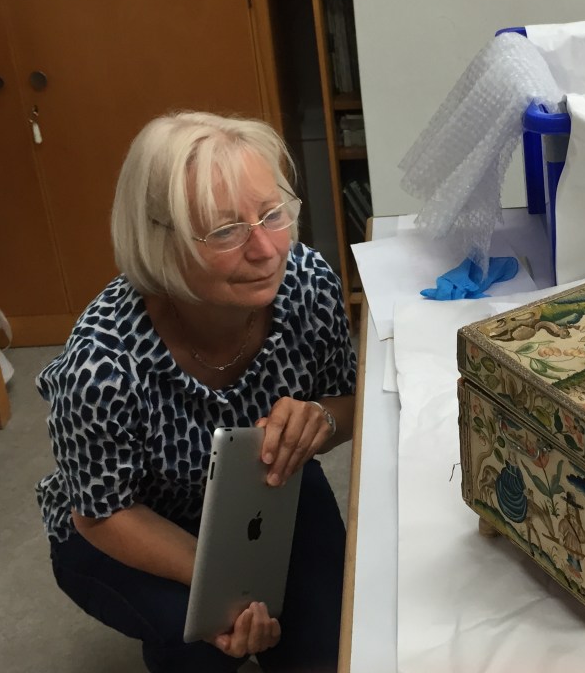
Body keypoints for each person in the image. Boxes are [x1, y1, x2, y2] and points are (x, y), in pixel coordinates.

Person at [34, 111, 357, 672]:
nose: (266, 249)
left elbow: (348, 404)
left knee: (330, 649)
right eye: (226, 230)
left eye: (272, 215)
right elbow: (102, 514)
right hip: (139, 522)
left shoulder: (308, 284)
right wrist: (225, 580)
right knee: (199, 648)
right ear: (158, 240)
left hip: (264, 491)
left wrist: (321, 422)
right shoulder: (101, 365)